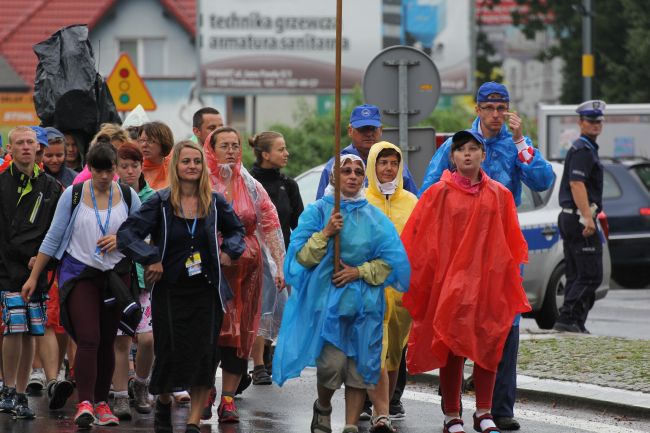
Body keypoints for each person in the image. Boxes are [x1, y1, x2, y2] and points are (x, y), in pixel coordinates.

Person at [419, 81, 554, 431]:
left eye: (501, 108)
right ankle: (452, 409)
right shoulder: (456, 145)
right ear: (477, 110)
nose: (496, 115)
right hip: (459, 256)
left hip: (500, 253)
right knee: (453, 325)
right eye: (489, 108)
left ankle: (497, 408)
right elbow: (429, 194)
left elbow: (542, 180)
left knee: (502, 327)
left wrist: (522, 140)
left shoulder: (513, 145)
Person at [402, 129, 531, 433]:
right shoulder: (438, 193)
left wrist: (506, 279)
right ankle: (451, 415)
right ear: (452, 157)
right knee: (452, 345)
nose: (468, 154)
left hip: (488, 285)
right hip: (451, 285)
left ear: (484, 155)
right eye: (461, 150)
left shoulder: (500, 194)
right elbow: (419, 239)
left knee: (488, 344)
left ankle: (484, 412)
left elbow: (511, 242)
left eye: (474, 148)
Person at [273, 154, 410, 433]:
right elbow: (299, 258)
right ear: (334, 177)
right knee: (331, 367)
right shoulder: (318, 212)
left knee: (361, 369)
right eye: (345, 171)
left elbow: (390, 262)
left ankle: (350, 425)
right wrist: (325, 233)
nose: (352, 176)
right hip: (328, 304)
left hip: (366, 305)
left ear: (364, 177)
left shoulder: (374, 217)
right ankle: (323, 406)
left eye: (358, 172)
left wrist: (358, 272)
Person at [117, 139, 246, 433]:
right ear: (176, 166)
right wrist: (151, 258)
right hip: (170, 290)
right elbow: (127, 235)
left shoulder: (214, 201)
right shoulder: (161, 201)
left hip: (206, 290)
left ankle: (191, 422)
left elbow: (236, 230)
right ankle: (163, 399)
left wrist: (230, 251)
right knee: (171, 352)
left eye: (197, 162)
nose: (192, 167)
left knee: (204, 355)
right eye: (186, 161)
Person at [22, 142, 142, 429]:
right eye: (97, 170)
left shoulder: (128, 195)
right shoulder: (73, 194)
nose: (103, 176)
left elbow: (143, 233)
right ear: (89, 168)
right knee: (88, 337)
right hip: (79, 275)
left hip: (115, 278)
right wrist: (34, 276)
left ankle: (102, 403)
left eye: (108, 170)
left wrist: (121, 240)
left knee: (107, 340)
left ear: (115, 168)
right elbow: (53, 237)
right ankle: (85, 402)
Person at [202, 127, 285, 422]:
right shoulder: (200, 181)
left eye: (235, 145)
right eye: (224, 145)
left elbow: (270, 220)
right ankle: (205, 388)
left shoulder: (248, 183)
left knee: (240, 336)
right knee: (211, 332)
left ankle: (228, 399)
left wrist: (279, 263)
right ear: (211, 149)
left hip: (248, 270)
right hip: (210, 270)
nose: (231, 151)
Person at [0, 126, 62, 419]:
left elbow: (56, 231)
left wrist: (42, 261)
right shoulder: (1, 182)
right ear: (9, 149)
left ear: (38, 148)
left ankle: (21, 392)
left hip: (37, 270)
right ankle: (8, 388)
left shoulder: (50, 186)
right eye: (19, 143)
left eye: (30, 142)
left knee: (31, 331)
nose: (26, 147)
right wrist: (20, 261)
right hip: (6, 268)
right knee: (14, 328)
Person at [363, 142, 418, 432]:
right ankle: (378, 411)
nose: (388, 168)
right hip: (371, 288)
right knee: (375, 348)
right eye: (382, 162)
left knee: (395, 350)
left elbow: (422, 241)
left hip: (401, 289)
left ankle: (389, 400)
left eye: (393, 163)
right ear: (373, 166)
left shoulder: (411, 201)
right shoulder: (362, 201)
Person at [249, 131, 304, 384]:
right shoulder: (248, 183)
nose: (287, 153)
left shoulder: (288, 186)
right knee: (259, 307)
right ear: (265, 154)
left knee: (277, 307)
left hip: (281, 258)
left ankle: (268, 351)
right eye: (281, 149)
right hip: (254, 256)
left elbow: (299, 225)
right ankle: (258, 364)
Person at [111, 142, 157, 419]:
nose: (129, 171)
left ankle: (140, 384)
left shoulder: (155, 197)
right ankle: (118, 395)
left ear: (142, 166)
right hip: (119, 276)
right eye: (124, 166)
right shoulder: (110, 195)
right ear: (116, 168)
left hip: (146, 277)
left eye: (134, 165)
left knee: (148, 339)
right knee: (120, 340)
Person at [553, 100, 606, 334]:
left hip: (572, 217)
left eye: (598, 121)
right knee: (591, 275)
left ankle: (574, 323)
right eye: (590, 121)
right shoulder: (583, 150)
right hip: (578, 218)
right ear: (581, 123)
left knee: (577, 273)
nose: (595, 125)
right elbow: (576, 183)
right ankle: (568, 318)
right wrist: (588, 218)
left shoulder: (585, 148)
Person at [315, 104, 419, 199]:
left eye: (373, 129)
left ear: (381, 130)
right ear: (350, 131)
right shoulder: (335, 166)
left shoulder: (394, 164)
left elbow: (414, 204)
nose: (369, 134)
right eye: (363, 129)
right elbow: (321, 209)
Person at [138, 121, 174, 190]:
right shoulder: (136, 168)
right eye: (142, 140)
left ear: (163, 143)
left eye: (150, 141)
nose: (144, 145)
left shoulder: (174, 166)